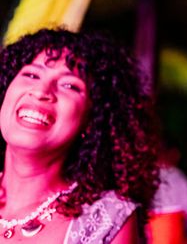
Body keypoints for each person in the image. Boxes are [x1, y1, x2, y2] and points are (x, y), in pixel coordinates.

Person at [0, 28, 159, 243]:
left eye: (69, 86)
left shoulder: (107, 221)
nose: (40, 91)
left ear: (93, 120)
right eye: (31, 74)